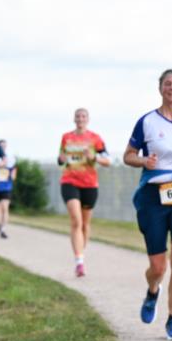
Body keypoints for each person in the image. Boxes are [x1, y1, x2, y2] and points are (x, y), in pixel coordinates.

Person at [124, 69, 172, 340]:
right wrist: (144, 161)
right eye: (168, 83)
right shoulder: (147, 122)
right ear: (160, 88)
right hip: (153, 197)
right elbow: (128, 155)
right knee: (158, 267)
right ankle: (153, 291)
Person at [58, 109, 111, 276]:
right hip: (69, 181)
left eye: (83, 116)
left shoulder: (95, 138)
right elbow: (60, 158)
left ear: (88, 119)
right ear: (74, 119)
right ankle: (79, 261)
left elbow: (107, 161)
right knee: (76, 221)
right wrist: (61, 159)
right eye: (78, 116)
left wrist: (93, 157)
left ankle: (81, 252)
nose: (80, 119)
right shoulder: (66, 137)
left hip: (89, 184)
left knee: (86, 224)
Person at [0, 139, 17, 239]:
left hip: (6, 187)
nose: (3, 147)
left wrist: (11, 174)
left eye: (4, 145)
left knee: (5, 207)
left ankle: (3, 228)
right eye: (1, 145)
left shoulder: (10, 159)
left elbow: (14, 173)